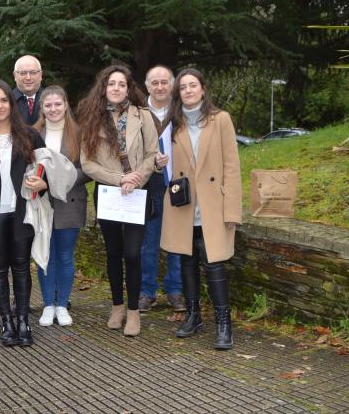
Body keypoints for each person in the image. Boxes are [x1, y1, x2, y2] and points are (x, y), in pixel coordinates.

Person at [160, 68, 242, 350]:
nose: (188, 91)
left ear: (203, 88)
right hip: (183, 204)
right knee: (187, 260)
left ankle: (224, 323)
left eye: (193, 85)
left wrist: (232, 210)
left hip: (213, 205)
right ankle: (193, 315)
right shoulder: (172, 124)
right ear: (178, 93)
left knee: (215, 263)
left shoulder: (221, 120)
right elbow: (166, 163)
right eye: (183, 87)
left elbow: (232, 166)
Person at [77, 64, 158, 337]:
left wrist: (136, 179)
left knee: (133, 253)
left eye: (121, 84)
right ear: (104, 87)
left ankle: (134, 312)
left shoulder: (143, 115)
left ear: (128, 88)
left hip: (137, 193)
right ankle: (117, 306)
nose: (116, 88)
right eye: (111, 83)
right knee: (113, 253)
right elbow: (87, 163)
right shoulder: (92, 119)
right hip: (110, 193)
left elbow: (152, 154)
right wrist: (118, 179)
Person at [0, 79, 47, 346]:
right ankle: (7, 322)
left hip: (21, 212)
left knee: (22, 268)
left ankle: (23, 321)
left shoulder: (29, 135)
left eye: (3, 100)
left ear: (11, 103)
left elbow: (45, 172)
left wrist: (43, 184)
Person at [32, 86, 88, 327]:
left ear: (66, 105)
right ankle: (47, 304)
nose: (53, 109)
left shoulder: (80, 133)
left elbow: (88, 168)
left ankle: (63, 304)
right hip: (41, 203)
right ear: (41, 109)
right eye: (48, 105)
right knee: (45, 255)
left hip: (70, 200)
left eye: (57, 104)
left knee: (64, 255)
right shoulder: (33, 133)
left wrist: (57, 180)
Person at [139, 66, 184, 312]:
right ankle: (147, 291)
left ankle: (175, 291)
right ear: (147, 85)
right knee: (149, 242)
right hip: (149, 185)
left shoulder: (181, 111)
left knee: (177, 240)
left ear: (172, 84)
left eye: (164, 82)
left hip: (178, 184)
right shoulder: (138, 113)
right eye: (154, 82)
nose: (159, 87)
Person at [12, 55, 44, 124]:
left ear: (40, 75)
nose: (28, 77)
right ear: (15, 76)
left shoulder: (52, 100)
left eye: (33, 72)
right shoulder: (7, 101)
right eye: (23, 73)